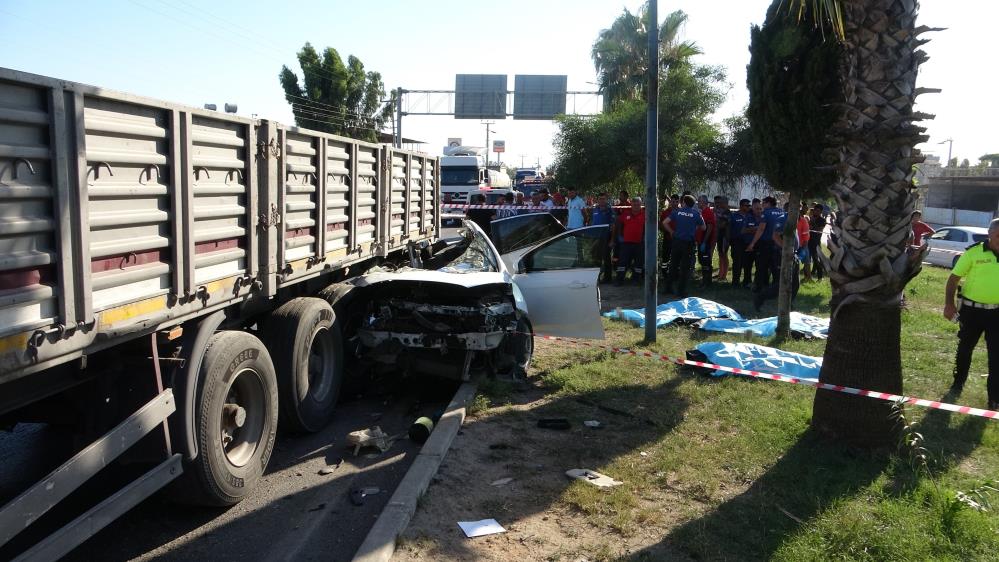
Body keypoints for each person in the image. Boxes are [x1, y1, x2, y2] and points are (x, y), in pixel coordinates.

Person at [944, 219, 999, 409]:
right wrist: (949, 304)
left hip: (997, 313)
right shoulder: (973, 252)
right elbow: (953, 279)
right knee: (965, 348)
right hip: (972, 311)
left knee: (996, 355)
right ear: (989, 234)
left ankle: (994, 398)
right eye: (998, 235)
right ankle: (958, 383)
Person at [753, 205, 801, 311]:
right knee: (782, 282)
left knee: (795, 283)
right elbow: (775, 236)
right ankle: (760, 297)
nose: (799, 210)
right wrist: (786, 249)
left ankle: (789, 304)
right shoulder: (783, 219)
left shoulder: (794, 219)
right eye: (797, 207)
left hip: (794, 254)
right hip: (783, 254)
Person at [662, 194, 705, 297]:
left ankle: (668, 288)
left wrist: (672, 232)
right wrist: (694, 227)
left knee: (673, 265)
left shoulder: (677, 212)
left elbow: (665, 222)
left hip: (677, 241)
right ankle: (681, 291)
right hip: (688, 244)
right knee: (685, 268)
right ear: (693, 204)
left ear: (684, 202)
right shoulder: (696, 214)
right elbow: (703, 227)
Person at [747, 196, 784, 292]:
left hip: (766, 243)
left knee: (761, 266)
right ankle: (776, 288)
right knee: (775, 267)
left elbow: (761, 229)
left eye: (763, 203)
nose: (762, 205)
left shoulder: (766, 213)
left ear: (768, 203)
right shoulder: (782, 212)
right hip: (778, 243)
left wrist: (752, 243)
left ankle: (759, 287)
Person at [613, 197, 645, 286]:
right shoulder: (626, 213)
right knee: (622, 262)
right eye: (634, 204)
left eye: (638, 204)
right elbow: (618, 222)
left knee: (638, 263)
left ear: (641, 205)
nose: (636, 206)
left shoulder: (644, 214)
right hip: (626, 243)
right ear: (631, 204)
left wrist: (644, 237)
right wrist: (620, 235)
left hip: (639, 243)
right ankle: (619, 280)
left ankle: (636, 280)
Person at [590, 193, 617, 283]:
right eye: (600, 199)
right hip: (595, 237)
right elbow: (592, 222)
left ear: (606, 200)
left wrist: (612, 240)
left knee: (606, 258)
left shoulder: (610, 211)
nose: (602, 200)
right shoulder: (595, 209)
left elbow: (613, 226)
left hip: (606, 237)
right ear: (597, 200)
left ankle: (607, 278)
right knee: (595, 257)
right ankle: (595, 278)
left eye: (603, 199)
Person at [728, 199, 752, 287]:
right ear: (741, 206)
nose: (748, 207)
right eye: (746, 205)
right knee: (737, 263)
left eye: (749, 205)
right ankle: (735, 282)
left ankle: (747, 282)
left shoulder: (750, 216)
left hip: (747, 242)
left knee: (747, 263)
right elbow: (728, 229)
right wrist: (728, 240)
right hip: (736, 242)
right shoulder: (734, 216)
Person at [696, 195, 716, 288]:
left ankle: (706, 282)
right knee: (703, 261)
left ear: (703, 202)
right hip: (701, 241)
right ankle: (706, 281)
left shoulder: (708, 212)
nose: (698, 203)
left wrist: (705, 241)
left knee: (706, 262)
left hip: (706, 241)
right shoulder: (702, 212)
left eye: (699, 201)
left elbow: (710, 227)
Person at [659, 194, 679, 280]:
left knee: (677, 256)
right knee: (665, 257)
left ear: (678, 202)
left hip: (678, 239)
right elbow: (661, 225)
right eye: (672, 202)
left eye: (676, 202)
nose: (674, 203)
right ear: (670, 202)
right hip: (668, 238)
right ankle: (664, 273)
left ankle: (676, 273)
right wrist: (668, 231)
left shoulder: (681, 212)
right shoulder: (665, 212)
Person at [713, 196, 731, 282]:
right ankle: (720, 273)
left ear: (725, 203)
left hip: (725, 237)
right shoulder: (722, 212)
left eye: (721, 203)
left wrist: (716, 221)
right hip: (720, 236)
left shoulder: (727, 213)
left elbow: (721, 225)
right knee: (720, 254)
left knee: (724, 255)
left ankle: (724, 275)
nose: (719, 204)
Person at [808, 203, 827, 281]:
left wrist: (813, 224)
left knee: (816, 260)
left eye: (818, 211)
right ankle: (808, 276)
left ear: (821, 212)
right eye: (815, 210)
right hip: (808, 241)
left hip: (816, 242)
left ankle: (820, 277)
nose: (816, 212)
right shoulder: (810, 218)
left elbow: (820, 230)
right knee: (807, 260)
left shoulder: (822, 220)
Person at [797, 203, 812, 282]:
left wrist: (803, 247)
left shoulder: (803, 220)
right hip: (790, 245)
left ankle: (809, 278)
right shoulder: (785, 219)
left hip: (802, 244)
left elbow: (806, 235)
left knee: (806, 261)